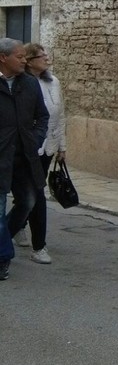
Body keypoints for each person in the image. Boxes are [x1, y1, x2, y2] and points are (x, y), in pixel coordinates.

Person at [0, 38, 50, 281]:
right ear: (3, 57)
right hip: (1, 157)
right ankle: (3, 256)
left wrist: (37, 138)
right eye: (19, 57)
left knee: (29, 201)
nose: (24, 61)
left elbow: (42, 116)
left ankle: (3, 242)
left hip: (25, 156)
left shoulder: (29, 84)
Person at [11, 43, 64, 264]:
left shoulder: (54, 82)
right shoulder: (20, 84)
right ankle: (38, 246)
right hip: (23, 150)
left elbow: (59, 115)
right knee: (34, 196)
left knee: (32, 195)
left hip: (47, 148)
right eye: (41, 56)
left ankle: (17, 226)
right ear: (30, 60)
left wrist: (62, 146)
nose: (46, 58)